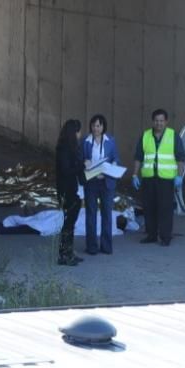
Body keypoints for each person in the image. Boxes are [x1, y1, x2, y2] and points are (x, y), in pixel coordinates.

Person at [132, 108, 185, 246]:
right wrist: (134, 175)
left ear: (166, 121)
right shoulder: (145, 136)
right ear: (153, 121)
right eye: (156, 121)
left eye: (161, 121)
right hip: (149, 178)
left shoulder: (173, 136)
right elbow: (138, 157)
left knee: (165, 208)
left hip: (166, 179)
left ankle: (165, 237)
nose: (159, 123)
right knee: (149, 208)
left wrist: (179, 176)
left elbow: (180, 158)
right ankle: (151, 235)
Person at [82, 113, 120, 255]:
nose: (96, 128)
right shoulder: (85, 141)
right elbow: (80, 158)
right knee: (91, 213)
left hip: (106, 182)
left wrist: (115, 163)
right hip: (91, 182)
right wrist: (84, 162)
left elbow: (116, 157)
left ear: (103, 127)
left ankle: (106, 246)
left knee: (107, 214)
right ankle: (91, 246)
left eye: (98, 126)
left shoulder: (111, 140)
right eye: (93, 126)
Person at [54, 119, 85, 267]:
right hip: (67, 190)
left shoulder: (70, 148)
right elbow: (66, 170)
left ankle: (68, 252)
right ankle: (64, 254)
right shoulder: (64, 150)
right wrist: (81, 166)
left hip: (72, 189)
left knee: (71, 224)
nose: (81, 134)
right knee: (68, 224)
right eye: (79, 131)